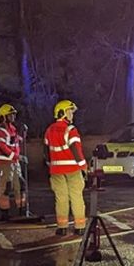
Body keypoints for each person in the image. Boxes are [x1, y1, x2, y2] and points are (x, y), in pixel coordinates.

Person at [44, 99, 87, 236]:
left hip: (56, 171)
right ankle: (79, 226)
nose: (71, 115)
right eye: (69, 112)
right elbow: (76, 150)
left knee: (60, 198)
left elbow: (46, 151)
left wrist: (51, 165)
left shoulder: (49, 130)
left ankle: (62, 227)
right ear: (62, 113)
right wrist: (84, 167)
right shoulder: (70, 130)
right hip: (73, 170)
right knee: (76, 197)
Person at [0, 103, 26, 221]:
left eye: (13, 115)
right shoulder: (0, 130)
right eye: (10, 115)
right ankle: (5, 213)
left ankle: (21, 209)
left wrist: (22, 135)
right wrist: (16, 156)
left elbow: (15, 142)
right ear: (3, 116)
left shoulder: (13, 129)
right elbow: (2, 147)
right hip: (5, 164)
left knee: (20, 185)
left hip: (14, 163)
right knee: (6, 187)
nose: (13, 117)